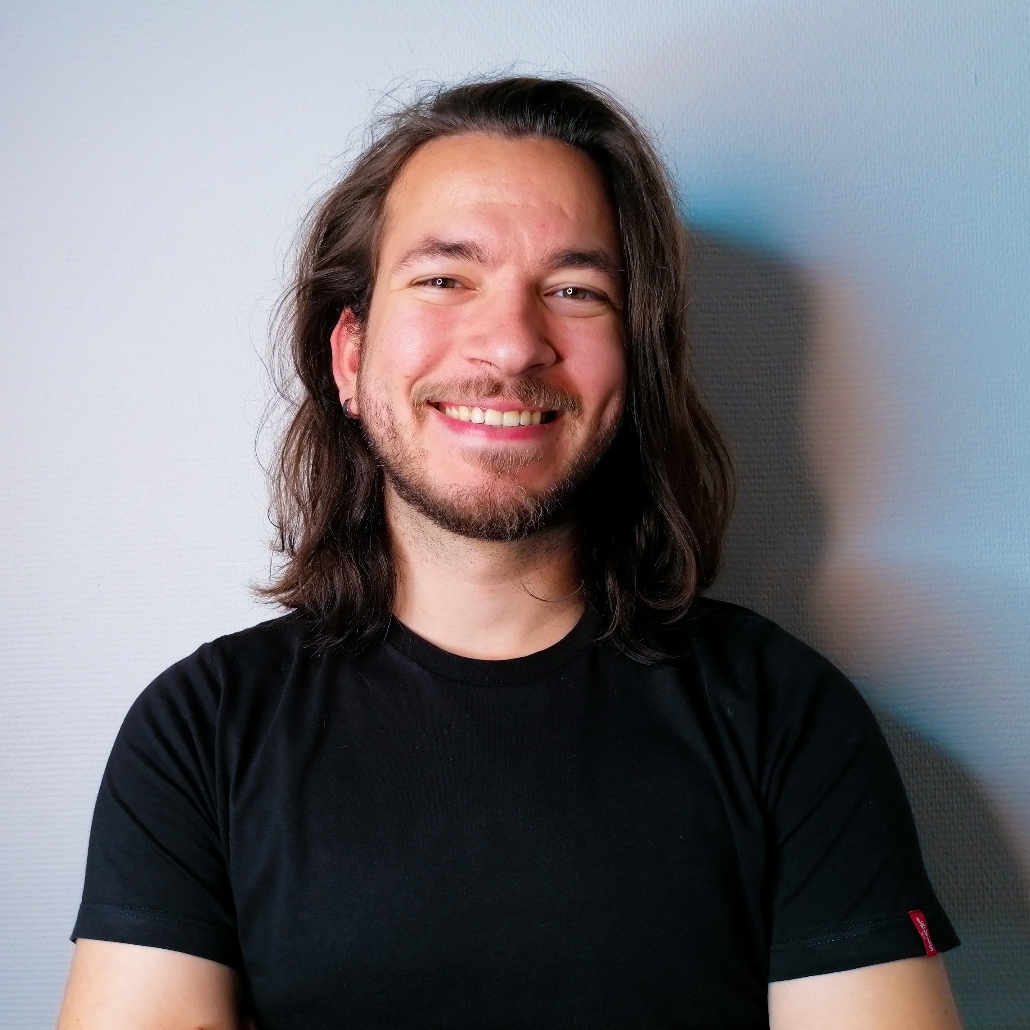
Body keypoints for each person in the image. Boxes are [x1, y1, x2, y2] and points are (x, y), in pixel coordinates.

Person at [57, 77, 964, 1029]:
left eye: (575, 291)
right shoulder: (200, 734)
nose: (511, 345)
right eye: (445, 279)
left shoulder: (788, 720)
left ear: (636, 363)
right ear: (349, 357)